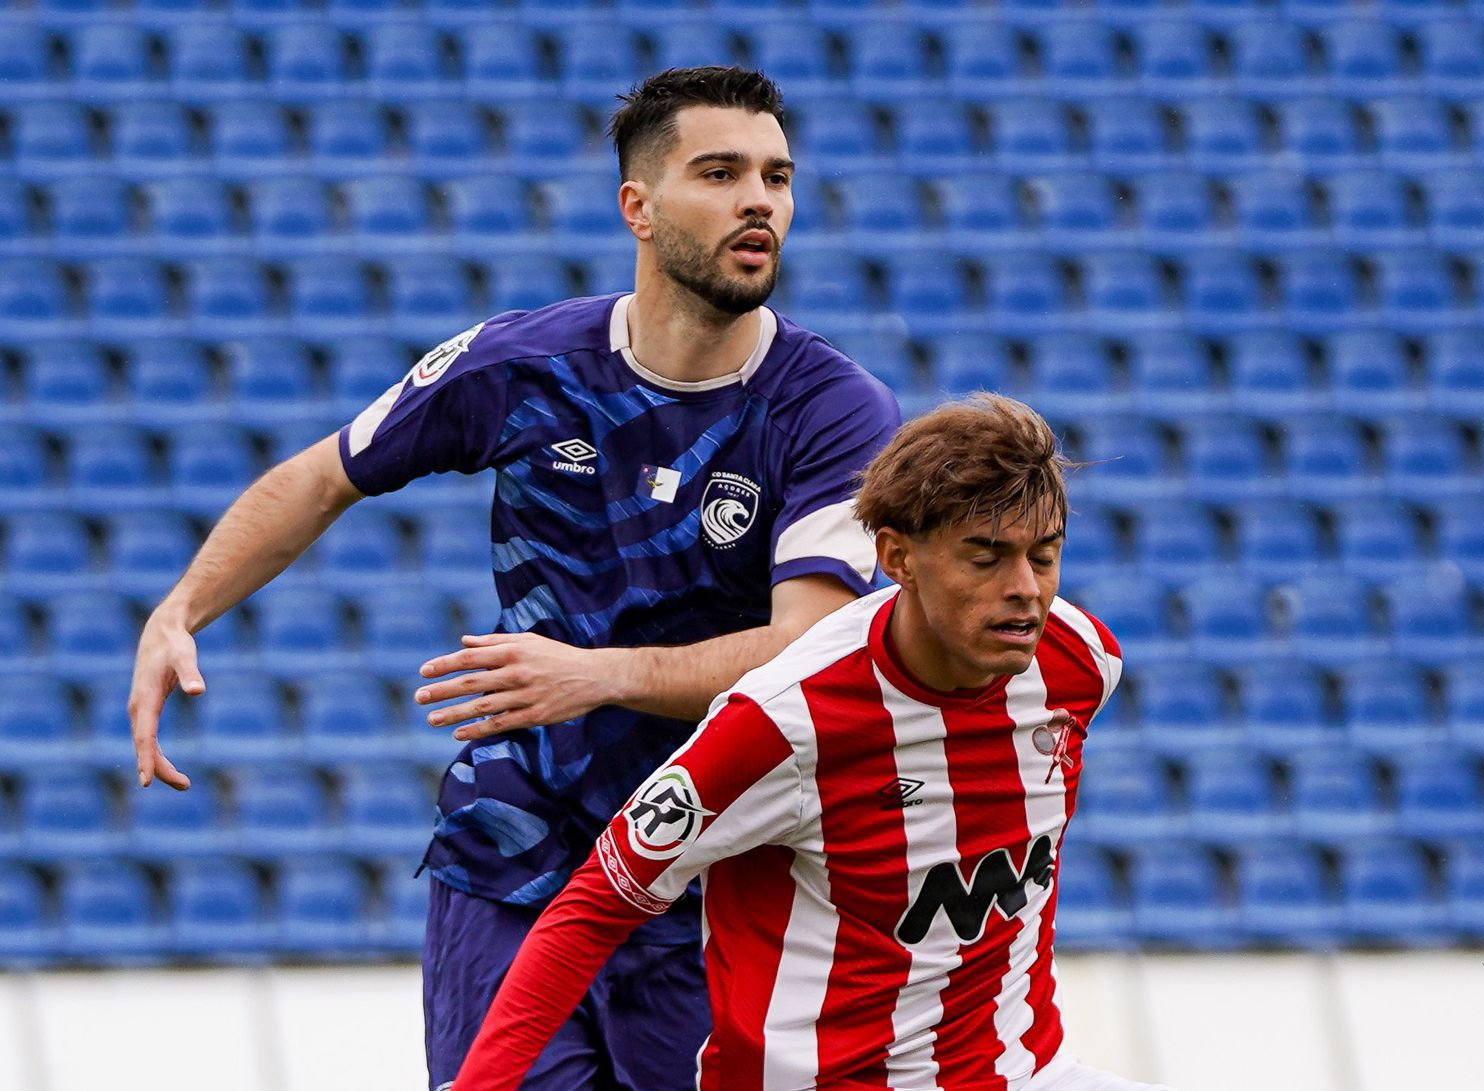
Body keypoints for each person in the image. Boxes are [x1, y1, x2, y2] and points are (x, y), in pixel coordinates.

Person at [126, 66, 901, 1091]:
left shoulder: (832, 411)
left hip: (709, 861)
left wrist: (600, 674)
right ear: (636, 205)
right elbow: (322, 474)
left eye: (776, 176)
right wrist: (182, 606)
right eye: (720, 172)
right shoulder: (523, 365)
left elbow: (806, 644)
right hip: (517, 843)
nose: (759, 199)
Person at [453, 396, 1174, 1091]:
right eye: (985, 557)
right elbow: (594, 904)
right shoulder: (781, 720)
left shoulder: (1080, 660)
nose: (1025, 588)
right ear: (897, 556)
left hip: (1021, 1070)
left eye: (1042, 557)